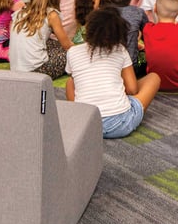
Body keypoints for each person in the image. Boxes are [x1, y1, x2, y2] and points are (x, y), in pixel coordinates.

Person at [66, 7, 161, 139]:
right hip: (120, 125)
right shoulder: (120, 50)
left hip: (86, 125)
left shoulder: (73, 51)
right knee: (154, 78)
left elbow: (76, 82)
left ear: (89, 28)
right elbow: (132, 89)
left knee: (70, 82)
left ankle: (77, 113)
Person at [10, 0, 74, 78]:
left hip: (15, 68)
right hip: (36, 72)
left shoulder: (21, 11)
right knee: (68, 54)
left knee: (52, 42)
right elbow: (67, 45)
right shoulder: (51, 15)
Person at [104, 0, 149, 66]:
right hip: (131, 66)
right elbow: (148, 38)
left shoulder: (101, 15)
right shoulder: (138, 13)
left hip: (107, 66)